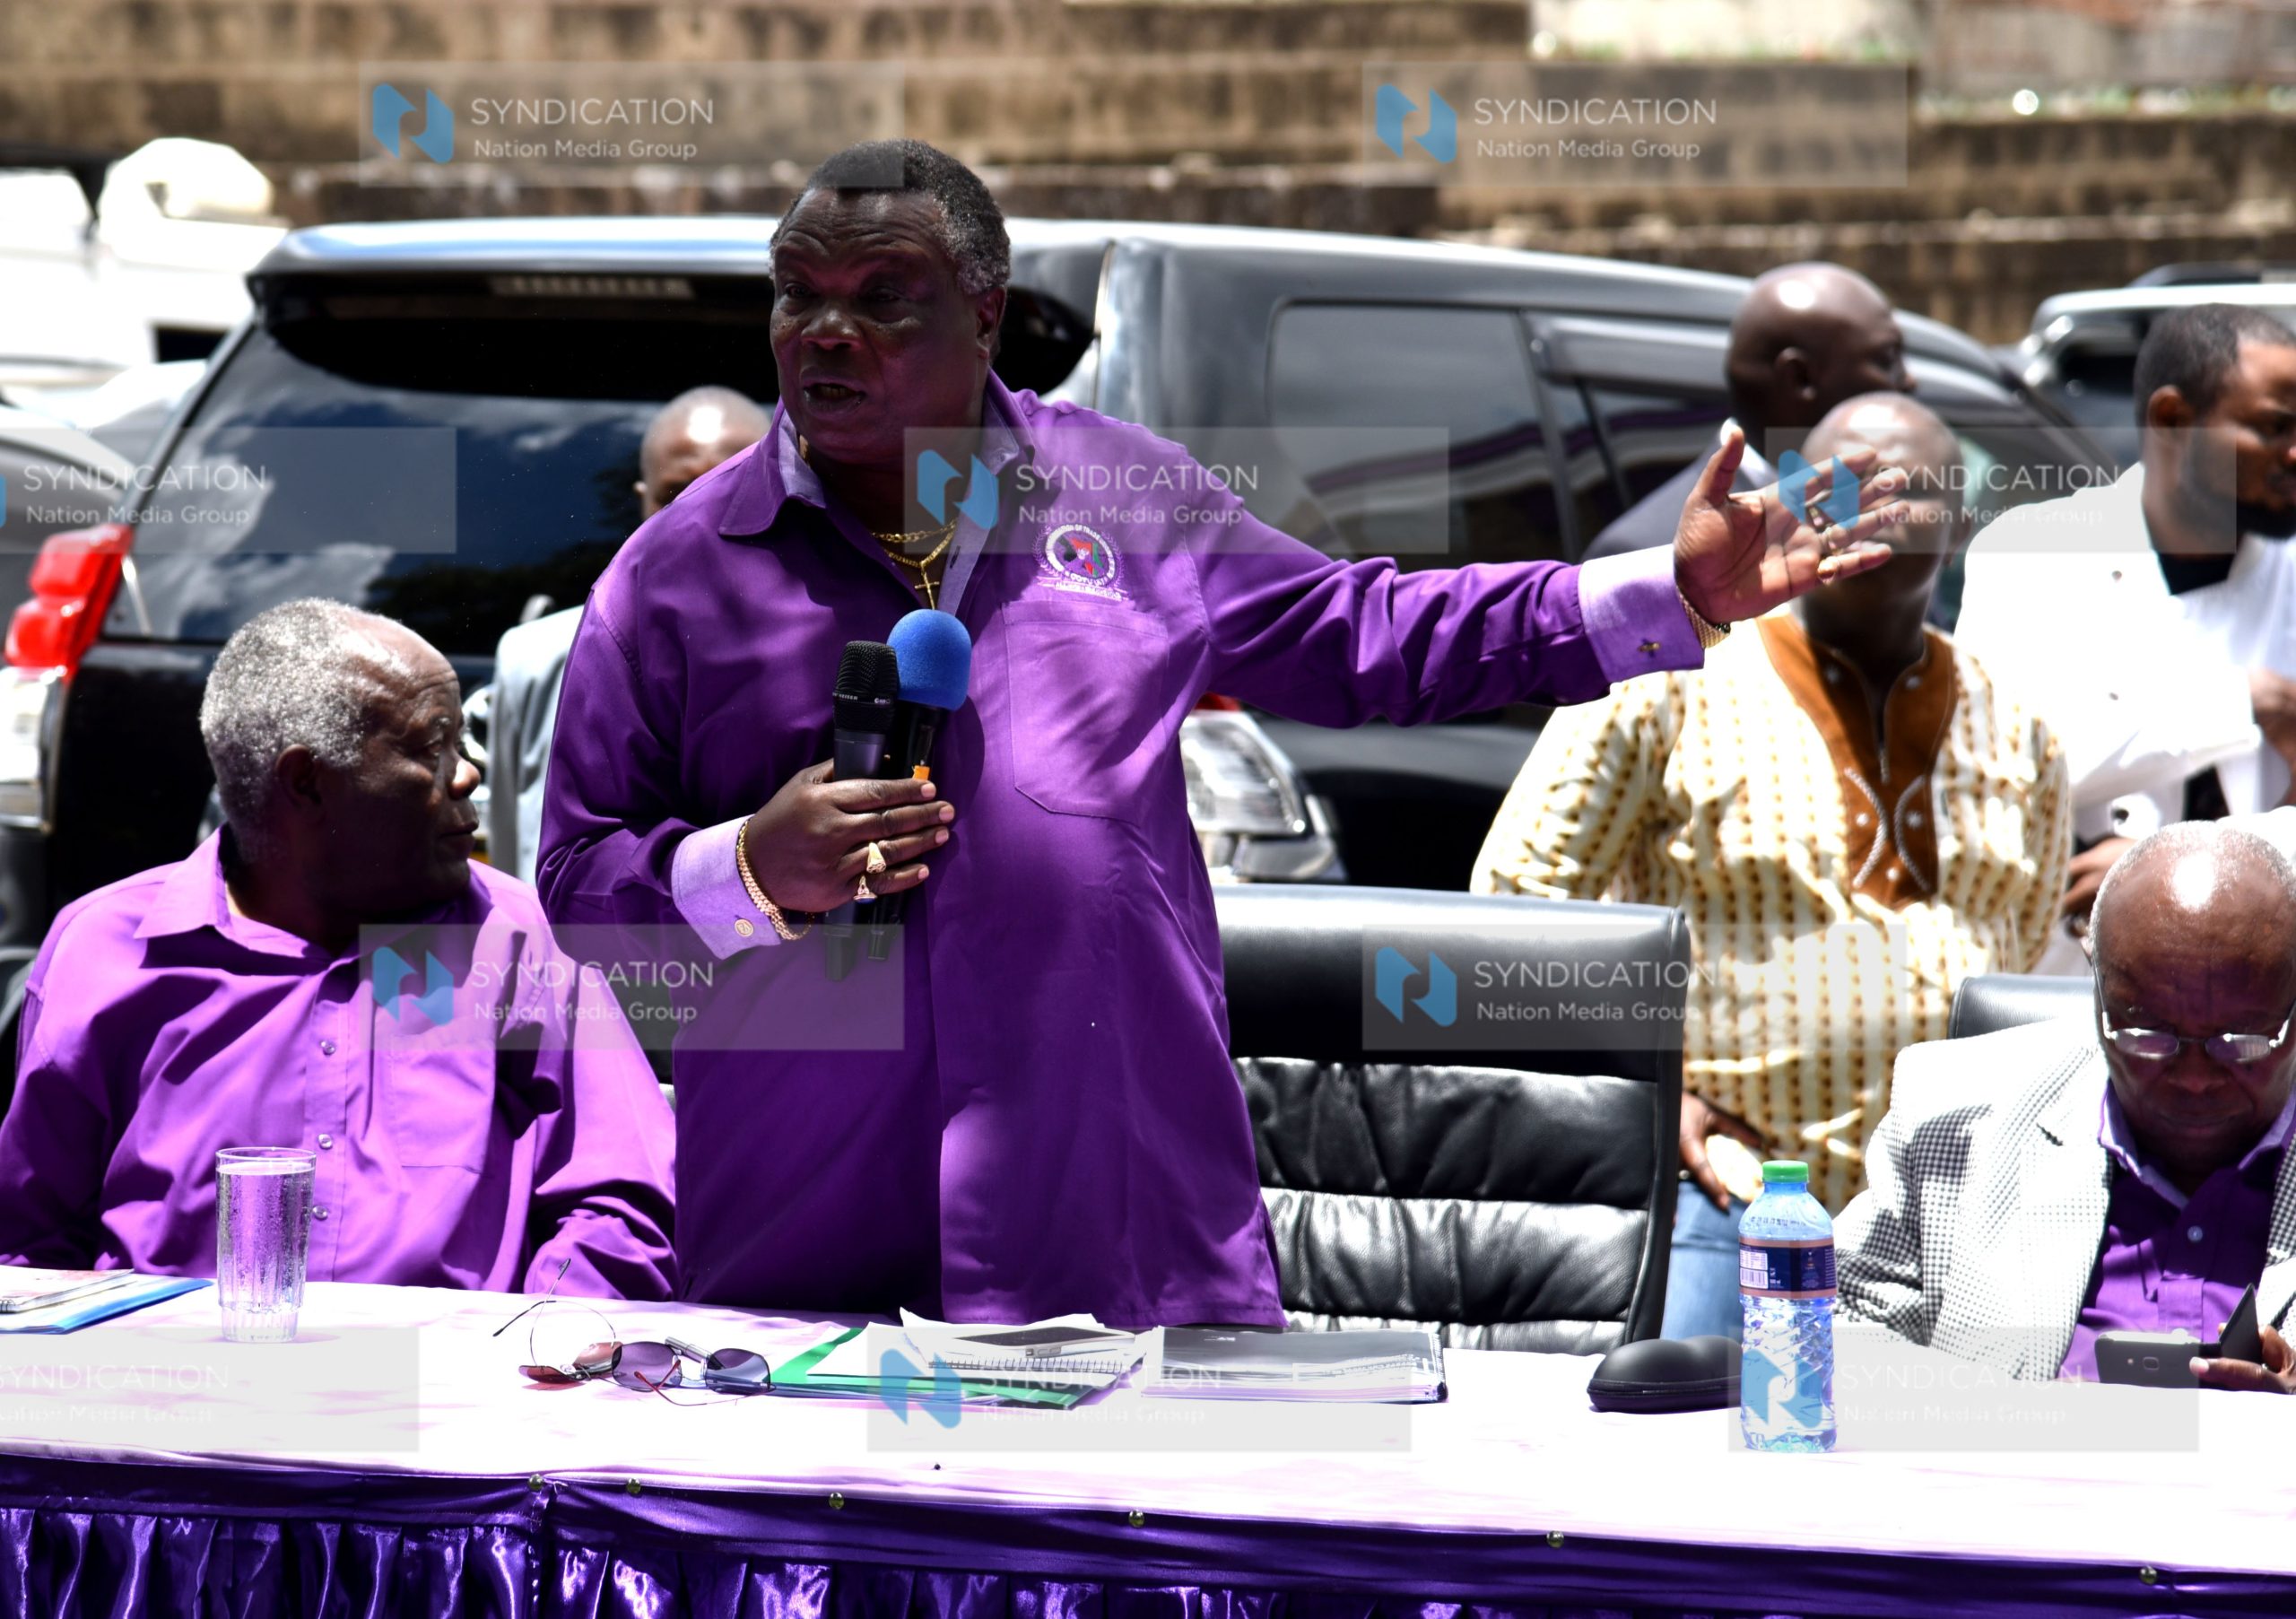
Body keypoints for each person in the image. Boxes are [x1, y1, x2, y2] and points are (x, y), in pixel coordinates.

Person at [535, 138, 1912, 1328]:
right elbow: (579, 912)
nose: (821, 334)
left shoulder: (1127, 498)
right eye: (798, 295)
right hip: (808, 1253)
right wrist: (745, 872)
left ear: (985, 313)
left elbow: (1368, 634)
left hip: (1112, 1236)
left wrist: (1662, 595)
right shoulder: (672, 578)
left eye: (882, 302)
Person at [1474, 394, 2069, 1341]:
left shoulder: (2019, 727)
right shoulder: (1666, 674)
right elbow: (1514, 905)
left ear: (1958, 521)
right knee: (1690, 1444)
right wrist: (1643, 1083)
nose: (1859, 506)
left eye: (1900, 486)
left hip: (1944, 1223)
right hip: (1723, 1193)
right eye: (1831, 484)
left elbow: (2022, 945)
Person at [0, 600, 678, 1297]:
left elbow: (622, 1209)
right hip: (179, 1387)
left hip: (455, 1391)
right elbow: (30, 1239)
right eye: (430, 747)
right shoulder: (106, 952)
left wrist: (525, 1349)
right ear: (305, 784)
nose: (469, 775)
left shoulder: (517, 942)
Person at [1839, 822, 2296, 1389]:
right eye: (2147, 1034)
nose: (2196, 1078)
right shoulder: (1952, 1115)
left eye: (2242, 1041)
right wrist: (2024, 1423)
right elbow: (1832, 1325)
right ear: (2097, 989)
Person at [1954, 303, 2296, 973]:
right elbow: (2003, 763)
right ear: (2171, 420)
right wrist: (2242, 706)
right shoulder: (2032, 552)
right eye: (2274, 426)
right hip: (2060, 1001)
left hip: (2263, 1014)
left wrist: (2166, 869)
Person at [488, 387, 770, 883]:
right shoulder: (535, 658)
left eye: (728, 489)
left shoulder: (827, 657)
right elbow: (516, 866)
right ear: (641, 503)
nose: (697, 515)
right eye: (674, 494)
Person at [1584, 262, 1914, 560]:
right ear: (1800, 378)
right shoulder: (1646, 553)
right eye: (1887, 359)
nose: (1909, 380)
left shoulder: (1894, 514)